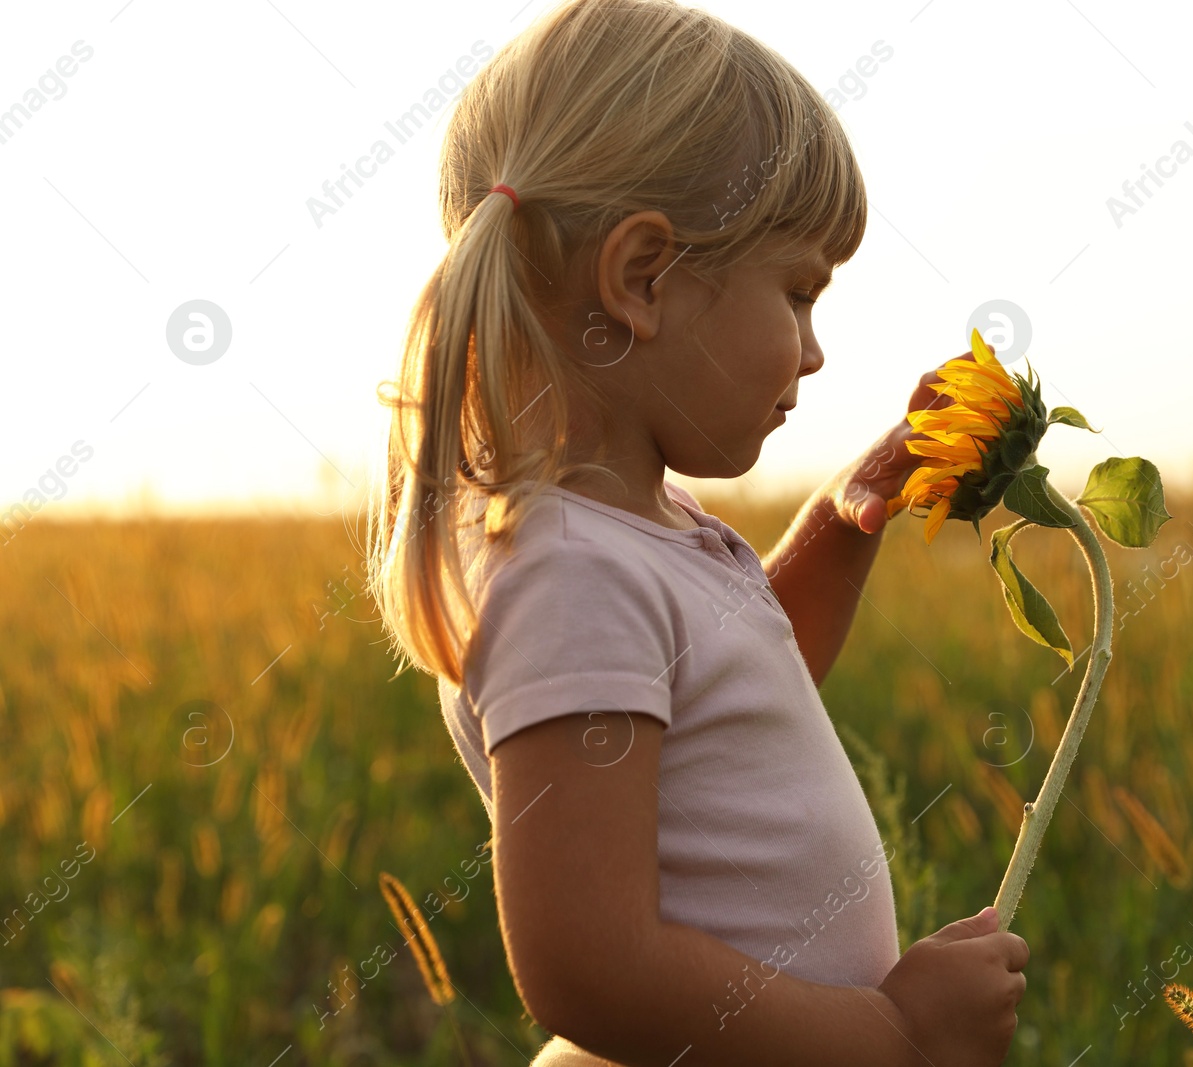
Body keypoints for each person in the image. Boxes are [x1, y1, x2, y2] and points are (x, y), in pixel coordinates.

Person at [367, 2, 1028, 1063]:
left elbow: (741, 695)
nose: (813, 352)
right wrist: (892, 1033)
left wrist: (843, 521)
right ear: (642, 280)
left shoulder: (635, 539)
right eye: (798, 291)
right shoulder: (573, 574)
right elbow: (588, 961)